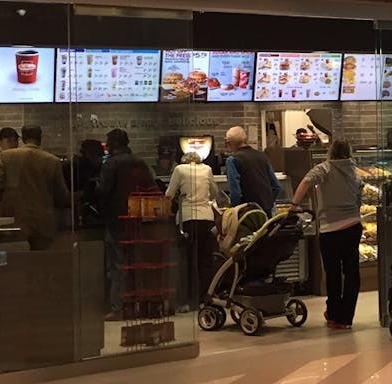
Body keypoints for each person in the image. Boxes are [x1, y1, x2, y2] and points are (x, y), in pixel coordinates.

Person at [290, 139, 364, 330]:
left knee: (333, 273)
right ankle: (346, 318)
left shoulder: (324, 168)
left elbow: (305, 181)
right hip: (353, 225)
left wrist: (294, 205)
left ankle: (333, 314)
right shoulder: (354, 170)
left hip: (330, 228)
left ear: (331, 151)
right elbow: (359, 195)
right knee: (352, 273)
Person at [100, 129, 156, 320]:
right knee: (136, 264)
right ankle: (138, 304)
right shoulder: (140, 162)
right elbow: (152, 188)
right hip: (138, 220)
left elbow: (103, 192)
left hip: (116, 221)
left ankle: (118, 307)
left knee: (117, 265)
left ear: (112, 144)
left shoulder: (111, 164)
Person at [0, 125, 71, 251]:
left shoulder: (6, 156)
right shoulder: (52, 161)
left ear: (23, 138)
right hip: (43, 223)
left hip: (15, 219)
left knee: (16, 263)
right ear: (40, 138)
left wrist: (0, 197)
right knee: (40, 264)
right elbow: (62, 195)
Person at [165, 151, 222, 311]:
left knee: (188, 261)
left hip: (187, 220)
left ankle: (188, 301)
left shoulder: (179, 170)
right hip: (206, 219)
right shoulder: (207, 169)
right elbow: (215, 192)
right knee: (205, 261)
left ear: (184, 160)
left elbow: (168, 194)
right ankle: (205, 298)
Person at [225, 126, 283, 208]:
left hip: (246, 213)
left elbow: (236, 193)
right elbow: (277, 187)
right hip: (266, 212)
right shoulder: (262, 156)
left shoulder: (232, 160)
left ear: (229, 143)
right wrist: (267, 202)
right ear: (246, 140)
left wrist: (233, 208)